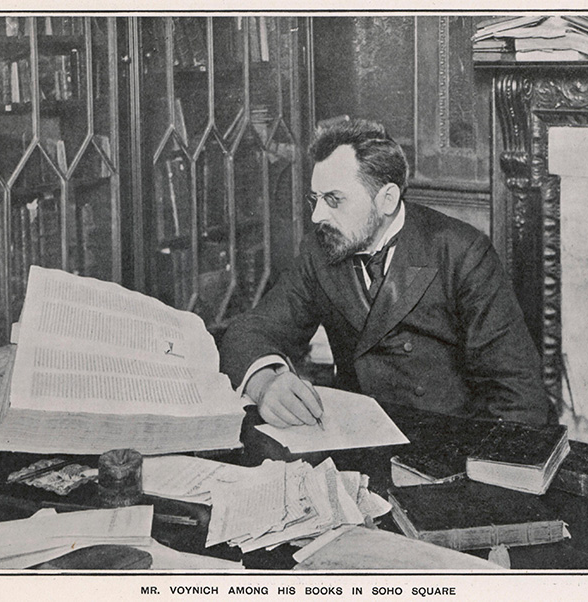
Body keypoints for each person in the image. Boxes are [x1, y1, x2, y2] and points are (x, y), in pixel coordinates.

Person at [219, 118, 554, 427]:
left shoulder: (461, 252)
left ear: (387, 199)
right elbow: (250, 330)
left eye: (334, 200)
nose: (317, 216)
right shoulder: (319, 251)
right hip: (359, 440)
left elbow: (518, 394)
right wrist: (266, 384)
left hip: (448, 447)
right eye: (315, 200)